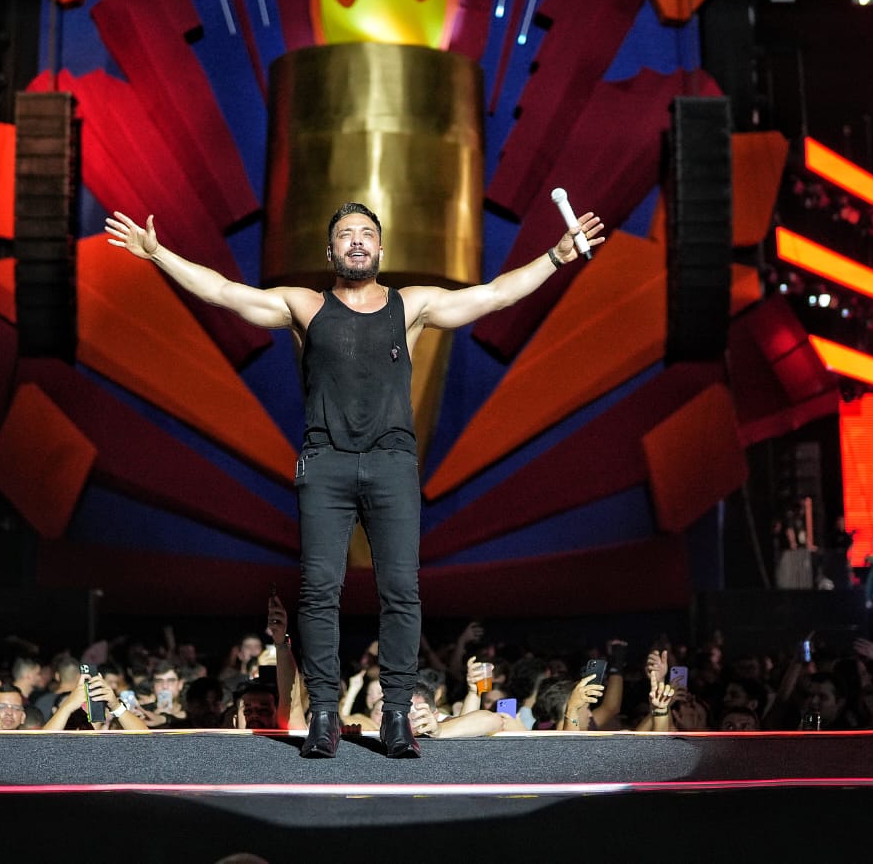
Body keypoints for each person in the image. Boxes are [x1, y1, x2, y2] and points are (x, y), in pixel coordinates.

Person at [106, 200, 604, 759]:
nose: (358, 241)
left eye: (367, 233)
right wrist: (158, 254)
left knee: (401, 591)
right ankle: (323, 713)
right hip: (326, 462)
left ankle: (396, 715)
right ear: (331, 250)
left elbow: (493, 295)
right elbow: (224, 292)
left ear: (381, 248)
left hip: (392, 461)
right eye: (347, 234)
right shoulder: (305, 305)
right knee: (319, 591)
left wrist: (556, 257)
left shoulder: (411, 305)